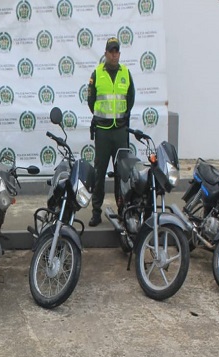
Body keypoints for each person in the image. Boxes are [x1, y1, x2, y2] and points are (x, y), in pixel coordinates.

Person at [86, 37, 135, 227]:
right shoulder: (97, 74)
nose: (114, 55)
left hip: (120, 131)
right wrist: (102, 118)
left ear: (119, 54)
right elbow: (91, 101)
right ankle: (96, 212)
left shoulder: (126, 73)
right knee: (99, 174)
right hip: (103, 132)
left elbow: (130, 98)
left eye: (116, 52)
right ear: (106, 53)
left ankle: (122, 210)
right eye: (111, 51)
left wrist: (121, 118)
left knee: (122, 174)